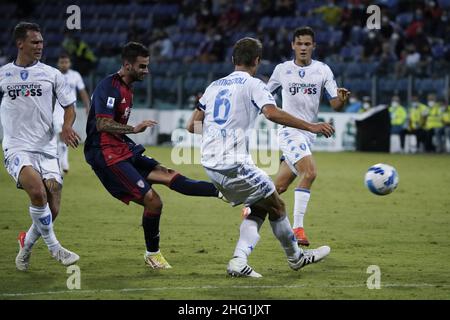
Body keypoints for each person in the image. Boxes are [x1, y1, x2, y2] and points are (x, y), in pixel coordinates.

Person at [187, 37, 333, 277]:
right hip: (233, 164)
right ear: (257, 61)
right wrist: (311, 126)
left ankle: (239, 260)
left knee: (261, 206)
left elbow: (192, 126)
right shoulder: (254, 84)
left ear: (233, 59)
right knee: (277, 205)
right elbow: (272, 113)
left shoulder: (214, 86)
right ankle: (296, 258)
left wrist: (216, 135)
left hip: (209, 164)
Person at [84, 42, 222, 269]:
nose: (146, 71)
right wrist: (134, 129)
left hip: (122, 148)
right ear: (127, 65)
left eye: (147, 66)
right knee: (154, 202)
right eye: (142, 66)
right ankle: (152, 253)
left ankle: (222, 192)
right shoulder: (109, 86)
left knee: (169, 175)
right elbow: (101, 123)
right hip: (106, 154)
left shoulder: (128, 88)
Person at [0, 22, 81, 271]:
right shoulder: (3, 74)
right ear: (20, 43)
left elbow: (70, 107)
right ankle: (56, 248)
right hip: (16, 147)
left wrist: (67, 127)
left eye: (42, 42)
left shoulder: (52, 74)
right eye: (34, 42)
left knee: (52, 207)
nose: (40, 46)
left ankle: (25, 248)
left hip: (47, 149)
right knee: (38, 193)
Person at [267, 27, 350, 246]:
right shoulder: (282, 70)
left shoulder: (323, 70)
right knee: (310, 172)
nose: (303, 48)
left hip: (308, 136)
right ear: (292, 45)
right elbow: (265, 96)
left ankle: (251, 207)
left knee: (281, 187)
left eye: (307, 44)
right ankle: (298, 229)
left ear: (313, 46)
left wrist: (342, 100)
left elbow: (335, 104)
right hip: (289, 131)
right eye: (299, 44)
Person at [53, 53, 91, 174]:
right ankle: (62, 164)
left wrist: (87, 106)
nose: (64, 64)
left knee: (65, 135)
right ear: (58, 63)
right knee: (60, 133)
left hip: (69, 110)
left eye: (66, 62)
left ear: (69, 63)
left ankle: (63, 163)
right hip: (56, 109)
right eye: (62, 62)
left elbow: (82, 91)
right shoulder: (53, 74)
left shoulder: (75, 75)